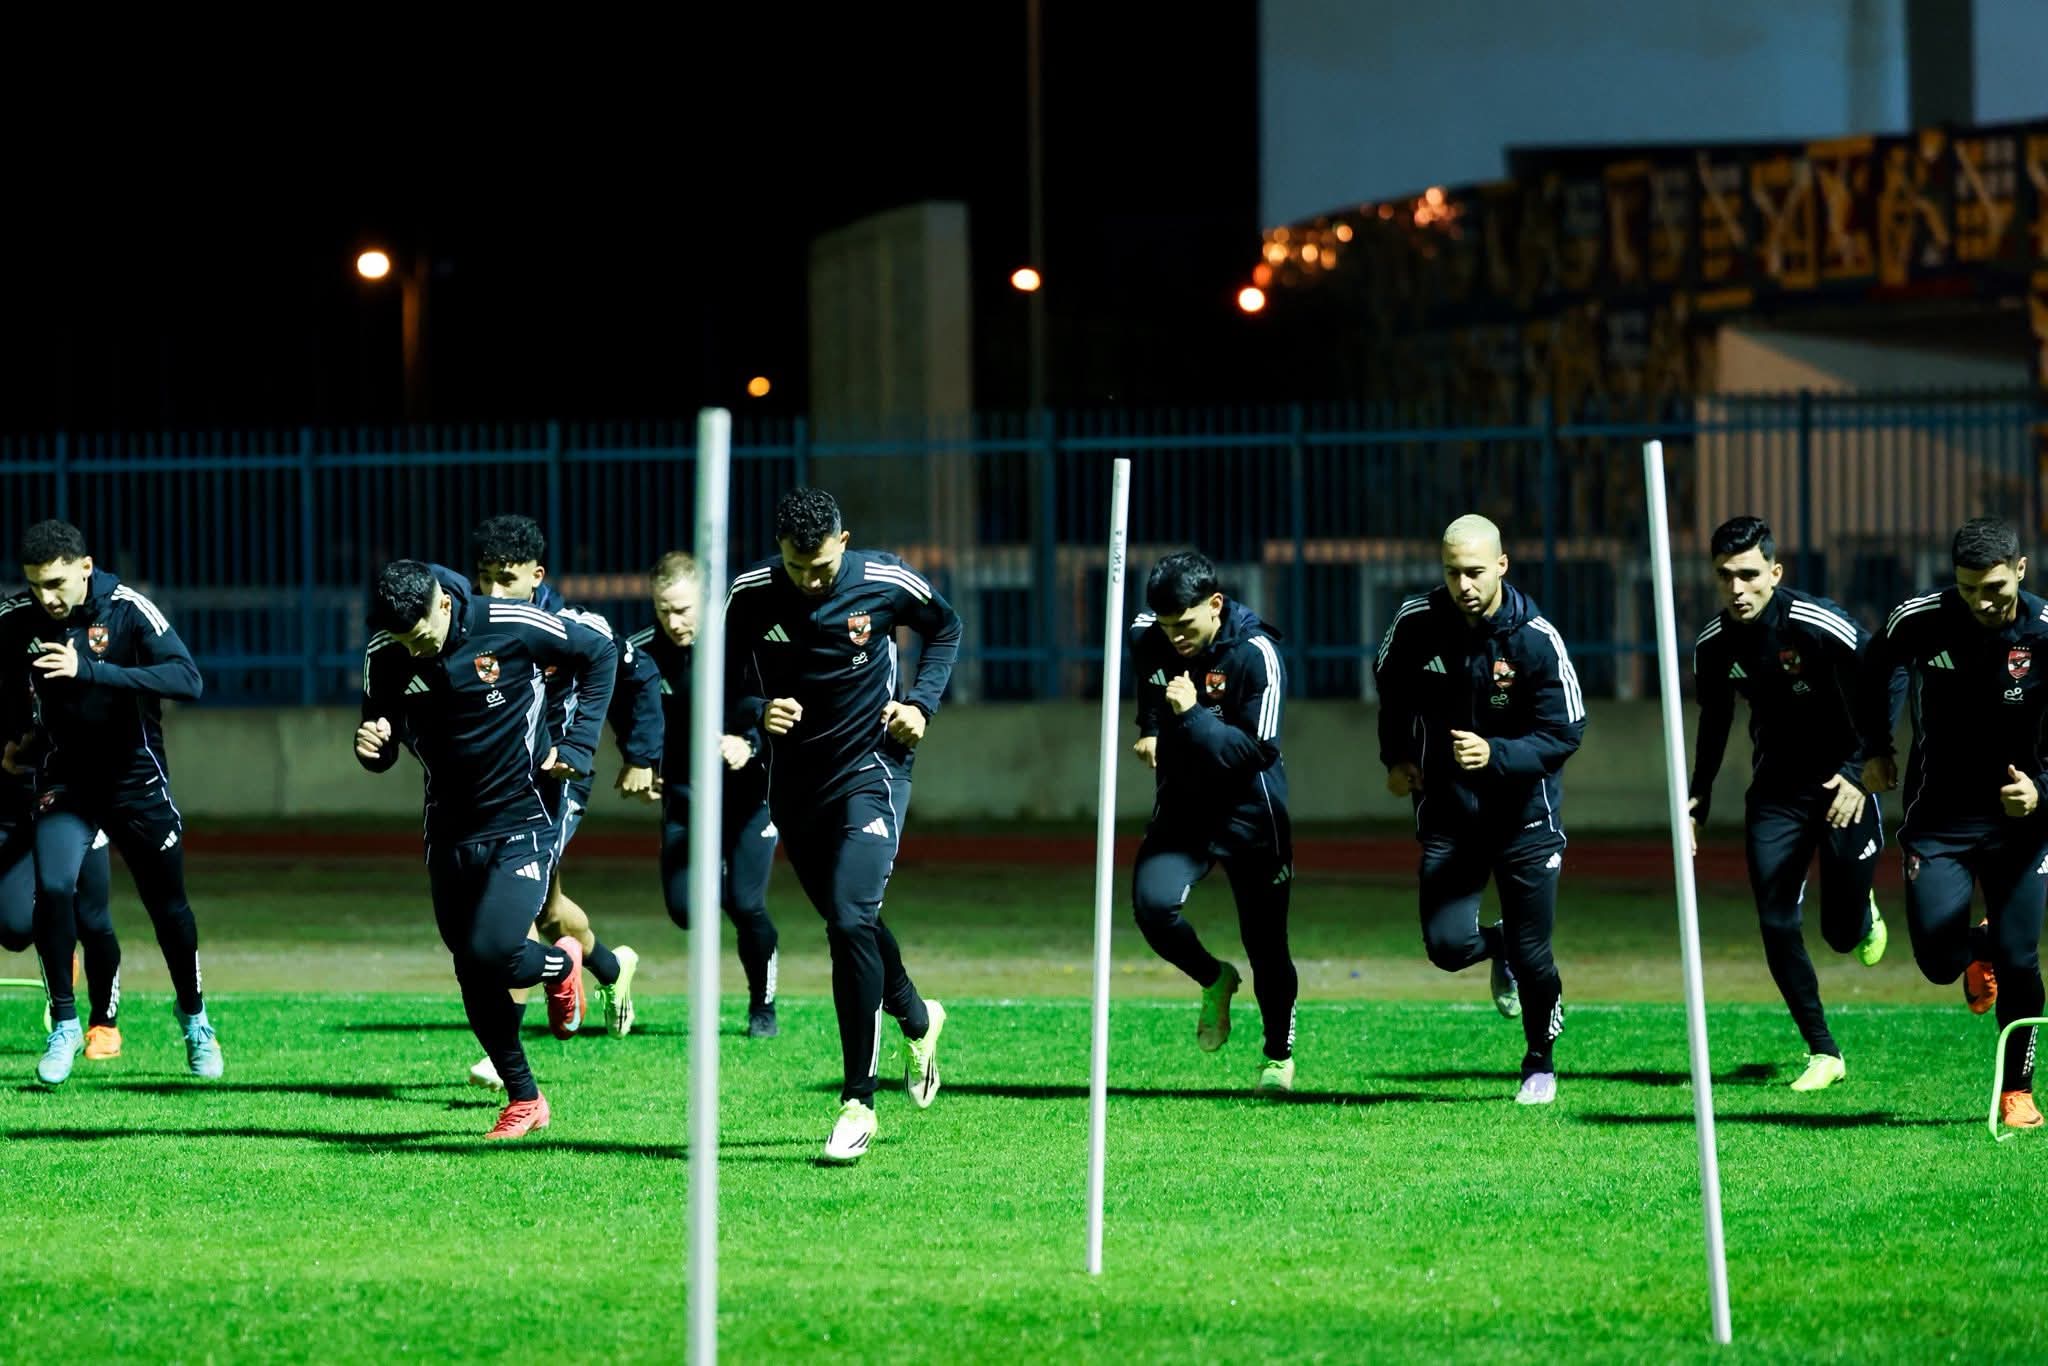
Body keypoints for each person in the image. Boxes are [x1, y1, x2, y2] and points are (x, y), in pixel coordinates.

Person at [722, 488, 960, 1163]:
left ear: (844, 543)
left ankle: (859, 1102)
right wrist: (755, 711)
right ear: (780, 552)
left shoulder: (884, 580)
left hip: (872, 768)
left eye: (822, 567)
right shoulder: (750, 593)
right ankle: (917, 1015)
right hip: (795, 786)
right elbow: (720, 678)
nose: (810, 580)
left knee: (850, 921)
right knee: (849, 918)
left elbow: (946, 627)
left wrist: (921, 705)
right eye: (796, 567)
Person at [356, 559, 617, 1139]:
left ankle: (559, 964)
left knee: (492, 950)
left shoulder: (511, 623)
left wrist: (580, 742)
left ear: (444, 605)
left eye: (421, 634)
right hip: (449, 830)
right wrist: (372, 746)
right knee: (470, 970)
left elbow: (600, 651)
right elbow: (381, 731)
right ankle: (526, 1098)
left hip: (524, 815)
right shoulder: (386, 652)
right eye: (403, 640)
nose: (415, 649)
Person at [1374, 513, 1585, 1105]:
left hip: (1525, 819)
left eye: (1474, 571)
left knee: (1535, 954)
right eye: (1452, 573)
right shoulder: (1416, 622)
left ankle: (1539, 1064)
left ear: (1501, 566)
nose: (1463, 585)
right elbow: (1390, 687)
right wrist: (1397, 756)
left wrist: (1498, 754)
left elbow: (1566, 730)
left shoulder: (1536, 638)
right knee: (1445, 947)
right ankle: (1501, 945)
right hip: (1449, 814)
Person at [0, 520, 221, 1085]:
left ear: (85, 568)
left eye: (55, 583)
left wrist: (92, 671)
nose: (46, 597)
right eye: (35, 585)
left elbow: (187, 679)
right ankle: (65, 1025)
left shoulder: (127, 610)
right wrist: (14, 736)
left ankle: (195, 1020)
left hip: (135, 782)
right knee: (54, 888)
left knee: (167, 908)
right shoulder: (17, 617)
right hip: (65, 782)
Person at [1688, 516, 1896, 1092]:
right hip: (1776, 792)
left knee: (1841, 935)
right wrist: (1697, 801)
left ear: (1775, 573)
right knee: (1776, 921)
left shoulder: (1813, 621)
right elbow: (1714, 722)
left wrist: (1865, 766)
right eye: (1725, 576)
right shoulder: (1713, 644)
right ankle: (1823, 1051)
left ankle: (1861, 914)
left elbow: (1886, 671)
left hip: (1841, 783)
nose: (1737, 589)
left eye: (1749, 575)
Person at [1857, 517, 2048, 1130]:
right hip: (1939, 820)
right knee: (1939, 962)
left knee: (2020, 959)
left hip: (2021, 827)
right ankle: (1977, 948)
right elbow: (1871, 668)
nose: (1982, 602)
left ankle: (2017, 1091)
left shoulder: (2044, 632)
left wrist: (2040, 792)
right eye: (1968, 589)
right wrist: (1875, 747)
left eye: (1994, 588)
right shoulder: (1920, 618)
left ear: (2021, 569)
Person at [461, 516, 638, 1092]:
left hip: (555, 786)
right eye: (484, 577)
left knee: (514, 912)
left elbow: (633, 671)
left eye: (506, 579)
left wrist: (627, 752)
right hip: (500, 789)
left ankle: (501, 1054)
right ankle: (611, 967)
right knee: (551, 913)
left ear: (537, 576)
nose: (492, 591)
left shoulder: (572, 627)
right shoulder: (471, 623)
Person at [1127, 551, 1298, 1092]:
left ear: (1216, 604)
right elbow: (1151, 678)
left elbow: (1255, 751)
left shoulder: (1257, 654)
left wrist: (1191, 714)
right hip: (1183, 810)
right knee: (1152, 909)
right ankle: (1214, 977)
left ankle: (1277, 1056)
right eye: (1166, 626)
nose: (1175, 636)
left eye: (1185, 624)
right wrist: (1150, 727)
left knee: (1266, 945)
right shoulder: (1150, 636)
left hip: (1252, 815)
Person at [611, 551, 783, 1038]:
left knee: (746, 905)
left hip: (749, 797)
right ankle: (722, 884)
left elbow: (778, 710)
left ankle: (762, 1006)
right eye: (663, 610)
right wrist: (641, 762)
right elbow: (623, 714)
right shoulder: (640, 653)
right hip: (685, 797)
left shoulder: (742, 645)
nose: (673, 621)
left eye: (684, 610)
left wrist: (749, 743)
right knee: (686, 910)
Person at [0, 597, 117, 1054]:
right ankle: (58, 944)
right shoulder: (9, 630)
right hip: (13, 799)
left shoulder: (95, 629)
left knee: (93, 917)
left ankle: (104, 1023)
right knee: (13, 927)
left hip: (75, 793)